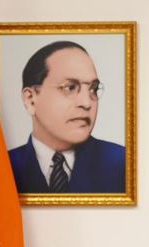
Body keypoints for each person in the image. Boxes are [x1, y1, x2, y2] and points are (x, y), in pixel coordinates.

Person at [9, 41, 125, 194]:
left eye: (93, 89)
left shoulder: (122, 163)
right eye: (70, 87)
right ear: (31, 99)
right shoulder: (5, 167)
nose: (86, 103)